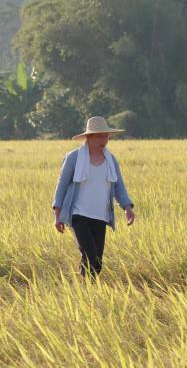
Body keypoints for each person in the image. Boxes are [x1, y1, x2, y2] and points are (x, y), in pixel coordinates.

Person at [52, 116, 135, 278]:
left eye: (106, 136)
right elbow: (61, 185)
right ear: (89, 137)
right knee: (90, 255)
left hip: (101, 216)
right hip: (78, 215)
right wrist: (58, 215)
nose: (103, 140)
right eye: (99, 136)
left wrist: (127, 207)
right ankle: (86, 288)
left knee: (96, 262)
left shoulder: (111, 160)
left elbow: (119, 186)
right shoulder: (74, 158)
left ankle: (85, 289)